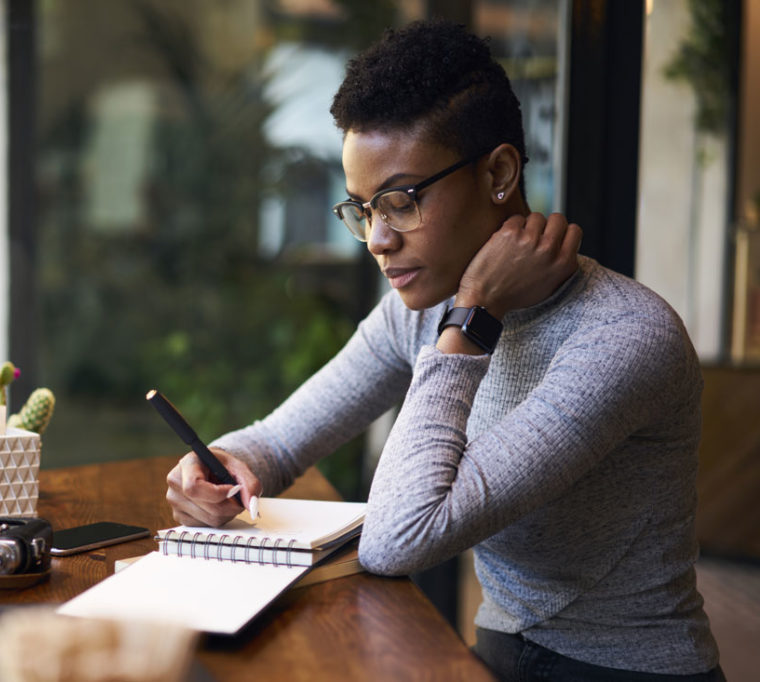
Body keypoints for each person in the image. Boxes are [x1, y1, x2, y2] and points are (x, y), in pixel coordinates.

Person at [165, 20, 723, 682]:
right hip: (493, 656)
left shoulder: (625, 337)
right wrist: (224, 465)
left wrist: (474, 316)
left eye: (400, 202)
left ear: (500, 172)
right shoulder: (425, 309)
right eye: (362, 208)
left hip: (628, 671)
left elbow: (400, 539)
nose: (376, 239)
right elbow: (278, 442)